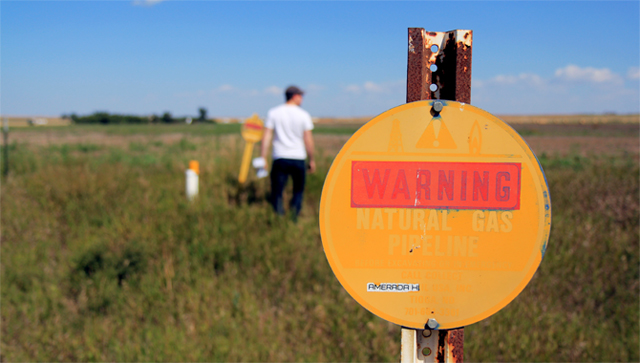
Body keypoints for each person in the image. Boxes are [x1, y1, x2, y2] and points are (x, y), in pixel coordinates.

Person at [260, 85, 315, 219]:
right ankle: (294, 216)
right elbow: (308, 139)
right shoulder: (304, 115)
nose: (302, 99)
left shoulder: (274, 112)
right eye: (301, 96)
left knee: (277, 190)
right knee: (298, 190)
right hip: (298, 157)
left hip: (280, 157)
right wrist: (311, 159)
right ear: (294, 96)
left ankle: (279, 217)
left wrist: (263, 157)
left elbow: (266, 136)